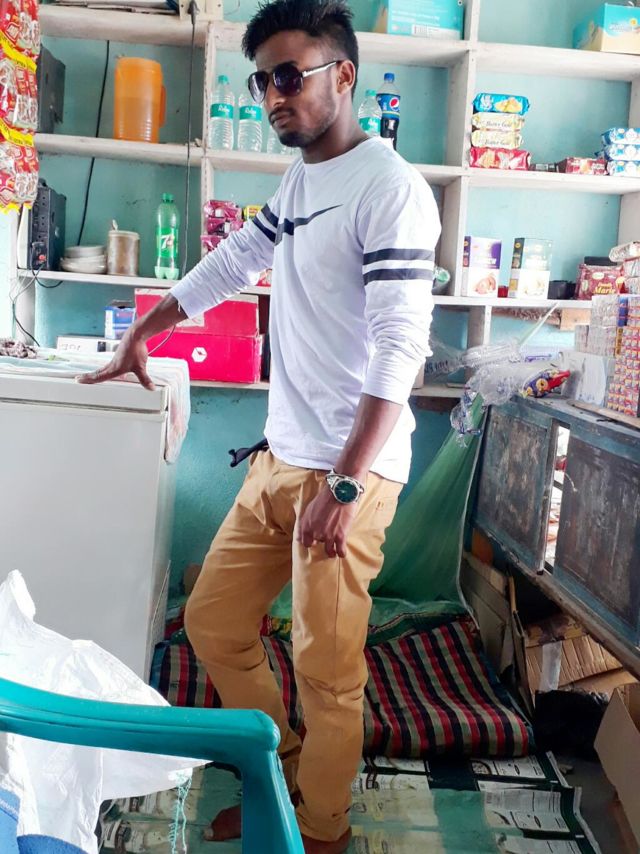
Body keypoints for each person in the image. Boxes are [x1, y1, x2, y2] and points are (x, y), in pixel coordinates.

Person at [80, 1, 440, 850]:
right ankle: (283, 773)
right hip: (282, 458)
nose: (275, 95)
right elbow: (238, 260)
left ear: (342, 75)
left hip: (349, 471)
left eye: (289, 75)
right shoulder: (304, 181)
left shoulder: (390, 190)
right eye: (262, 81)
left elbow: (402, 350)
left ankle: (320, 828)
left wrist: (344, 486)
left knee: (326, 667)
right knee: (211, 622)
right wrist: (144, 329)